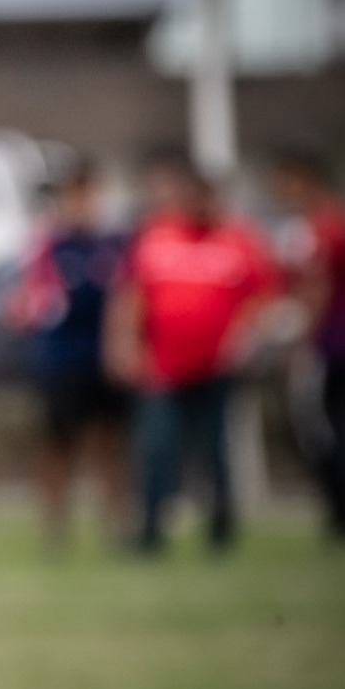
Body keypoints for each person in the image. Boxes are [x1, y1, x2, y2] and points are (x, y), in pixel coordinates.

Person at [106, 150, 279, 554]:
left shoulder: (239, 240)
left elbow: (265, 297)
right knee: (157, 446)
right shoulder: (157, 237)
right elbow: (131, 295)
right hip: (163, 366)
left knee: (214, 448)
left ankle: (220, 527)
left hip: (217, 366)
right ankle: (150, 529)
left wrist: (247, 335)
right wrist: (123, 343)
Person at [6, 159, 129, 547]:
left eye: (86, 194)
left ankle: (116, 525)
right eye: (73, 195)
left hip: (106, 358)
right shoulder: (46, 245)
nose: (81, 203)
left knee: (111, 443)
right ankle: (55, 527)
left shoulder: (114, 245)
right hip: (60, 360)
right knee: (59, 444)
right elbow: (21, 301)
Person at [270, 149, 345, 540]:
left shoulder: (321, 228)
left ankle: (344, 511)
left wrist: (299, 341)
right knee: (344, 429)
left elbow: (316, 288)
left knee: (319, 431)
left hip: (327, 347)